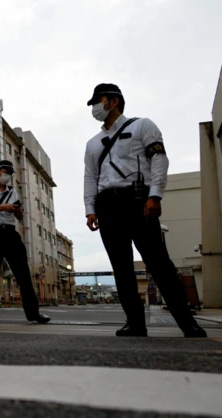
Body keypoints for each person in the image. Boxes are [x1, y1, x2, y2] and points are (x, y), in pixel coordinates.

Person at [83, 83, 207, 338]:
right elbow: (90, 176)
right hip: (107, 205)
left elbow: (159, 159)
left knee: (159, 263)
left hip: (137, 200)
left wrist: (155, 195)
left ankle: (187, 323)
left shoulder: (142, 126)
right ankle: (135, 323)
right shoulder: (93, 143)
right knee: (121, 266)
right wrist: (90, 208)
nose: (95, 107)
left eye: (98, 100)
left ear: (113, 101)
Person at [0, 160, 51, 326]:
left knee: (23, 275)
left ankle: (34, 313)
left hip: (10, 233)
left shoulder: (13, 192)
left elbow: (20, 218)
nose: (7, 175)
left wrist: (18, 211)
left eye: (10, 173)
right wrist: (1, 208)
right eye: (5, 171)